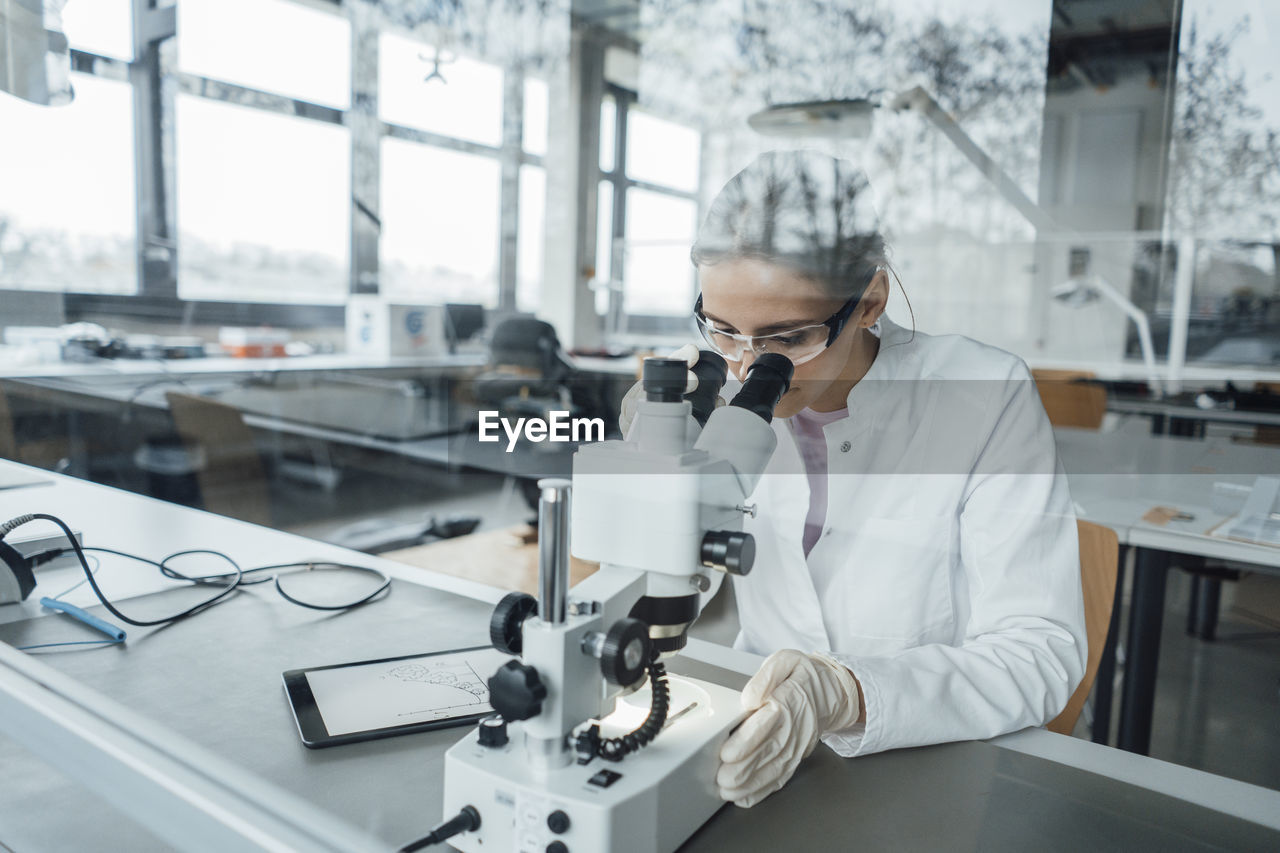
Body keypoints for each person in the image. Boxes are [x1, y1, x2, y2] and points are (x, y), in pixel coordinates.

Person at [621, 150, 1085, 808]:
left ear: (870, 297)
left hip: (935, 767)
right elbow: (673, 587)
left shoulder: (982, 395)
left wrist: (845, 692)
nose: (748, 365)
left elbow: (1041, 652)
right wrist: (655, 478)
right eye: (724, 330)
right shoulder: (710, 394)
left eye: (787, 337)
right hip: (757, 749)